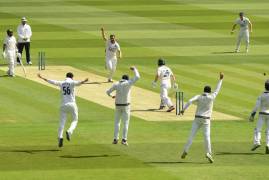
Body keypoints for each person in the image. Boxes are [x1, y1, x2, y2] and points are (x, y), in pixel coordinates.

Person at [180, 72, 224, 163]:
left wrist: (183, 110)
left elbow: (189, 101)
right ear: (209, 91)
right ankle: (208, 153)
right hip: (206, 120)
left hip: (197, 119)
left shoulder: (199, 96)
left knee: (191, 136)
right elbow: (217, 90)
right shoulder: (211, 97)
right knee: (207, 137)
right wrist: (221, 79)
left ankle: (185, 150)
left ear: (204, 90)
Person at [37, 73, 88, 147]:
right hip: (72, 104)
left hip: (63, 105)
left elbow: (51, 81)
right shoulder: (72, 82)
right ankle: (70, 131)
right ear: (72, 77)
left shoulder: (62, 83)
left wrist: (42, 77)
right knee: (75, 120)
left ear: (66, 77)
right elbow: (80, 83)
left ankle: (60, 137)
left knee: (62, 123)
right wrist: (85, 80)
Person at [106, 66, 140, 146]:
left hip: (117, 105)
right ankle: (124, 140)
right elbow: (137, 77)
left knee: (117, 122)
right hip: (126, 105)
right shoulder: (128, 83)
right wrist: (135, 69)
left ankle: (115, 139)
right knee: (126, 123)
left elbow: (107, 92)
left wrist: (112, 96)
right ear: (127, 79)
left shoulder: (116, 84)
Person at [249, 80, 269, 154]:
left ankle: (257, 142)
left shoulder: (261, 95)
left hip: (262, 113)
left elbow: (256, 106)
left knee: (257, 129)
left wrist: (252, 115)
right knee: (268, 131)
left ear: (265, 86)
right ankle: (268, 144)